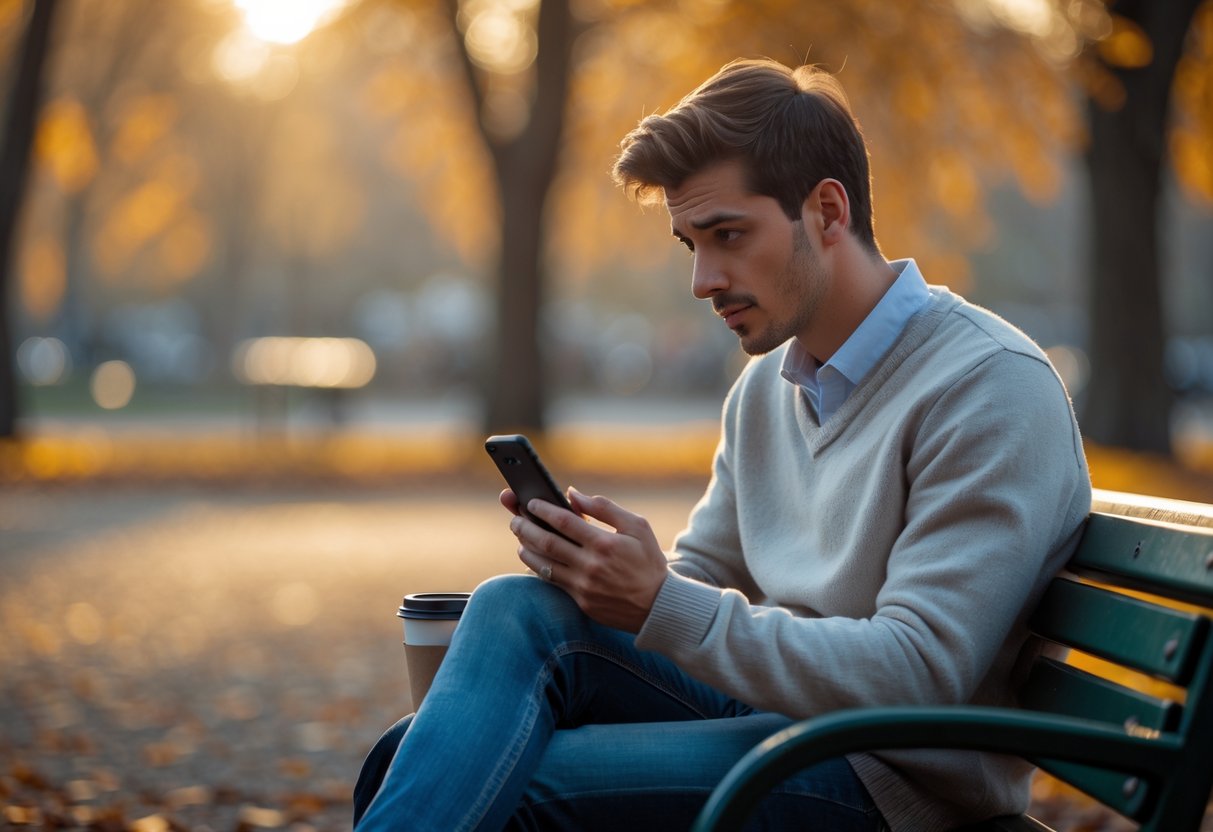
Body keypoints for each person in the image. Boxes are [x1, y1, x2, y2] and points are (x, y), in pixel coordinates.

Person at [352, 57, 1091, 831]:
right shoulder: (767, 388)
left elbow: (918, 673)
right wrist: (603, 577)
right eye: (689, 244)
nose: (704, 279)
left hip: (892, 776)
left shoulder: (986, 385)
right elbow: (701, 578)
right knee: (506, 617)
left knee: (496, 790)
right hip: (782, 721)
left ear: (828, 212)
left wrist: (659, 601)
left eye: (728, 235)